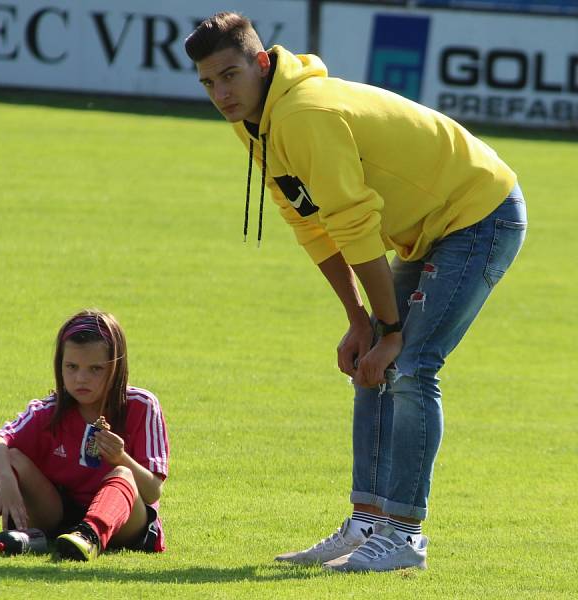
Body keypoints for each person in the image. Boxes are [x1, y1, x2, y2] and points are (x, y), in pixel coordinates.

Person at [184, 13, 526, 572]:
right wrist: (361, 322)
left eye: (229, 75)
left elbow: (355, 224)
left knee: (411, 364)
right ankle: (369, 523)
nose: (221, 93)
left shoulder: (304, 115)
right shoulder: (255, 121)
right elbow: (310, 223)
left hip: (479, 214)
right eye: (208, 83)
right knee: (372, 358)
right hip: (428, 228)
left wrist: (390, 330)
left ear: (261, 63)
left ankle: (405, 535)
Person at [0, 309, 169, 561]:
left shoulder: (141, 405)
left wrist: (121, 457)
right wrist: (6, 479)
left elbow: (152, 491)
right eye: (72, 367)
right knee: (8, 458)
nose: (81, 378)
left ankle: (89, 535)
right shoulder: (49, 411)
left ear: (116, 368)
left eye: (95, 369)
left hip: (125, 524)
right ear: (60, 365)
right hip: (57, 518)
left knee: (123, 473)